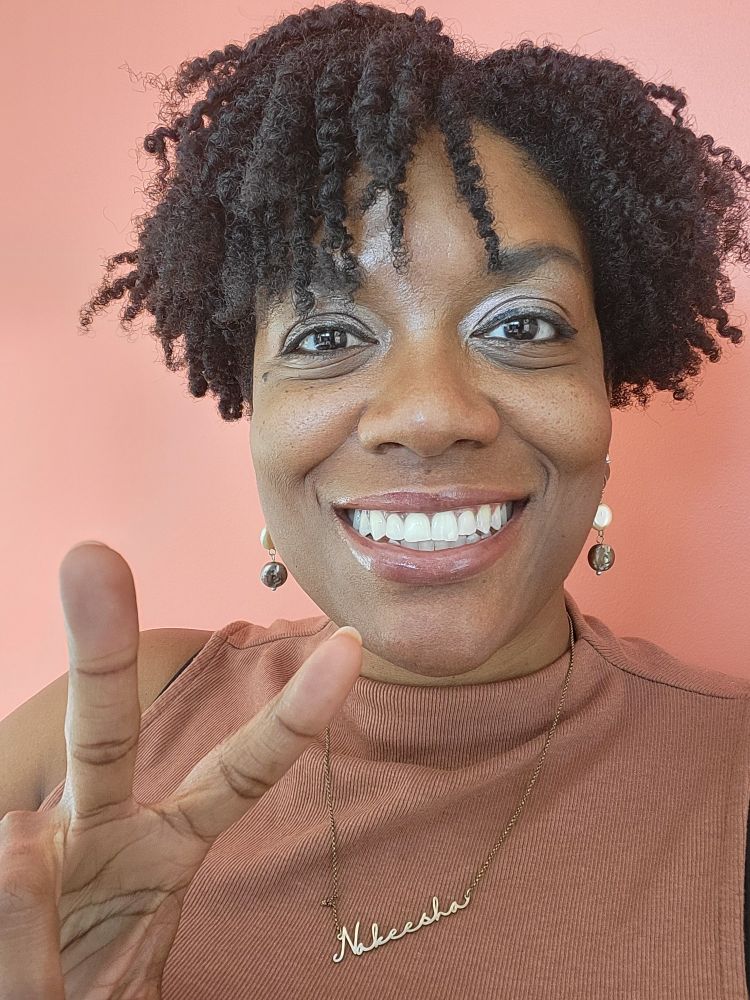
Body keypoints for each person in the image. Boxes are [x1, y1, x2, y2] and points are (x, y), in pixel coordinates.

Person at [1, 1, 749, 996]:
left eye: (522, 325)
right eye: (323, 336)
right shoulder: (105, 735)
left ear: (606, 390)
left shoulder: (730, 769)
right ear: (254, 406)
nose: (430, 414)